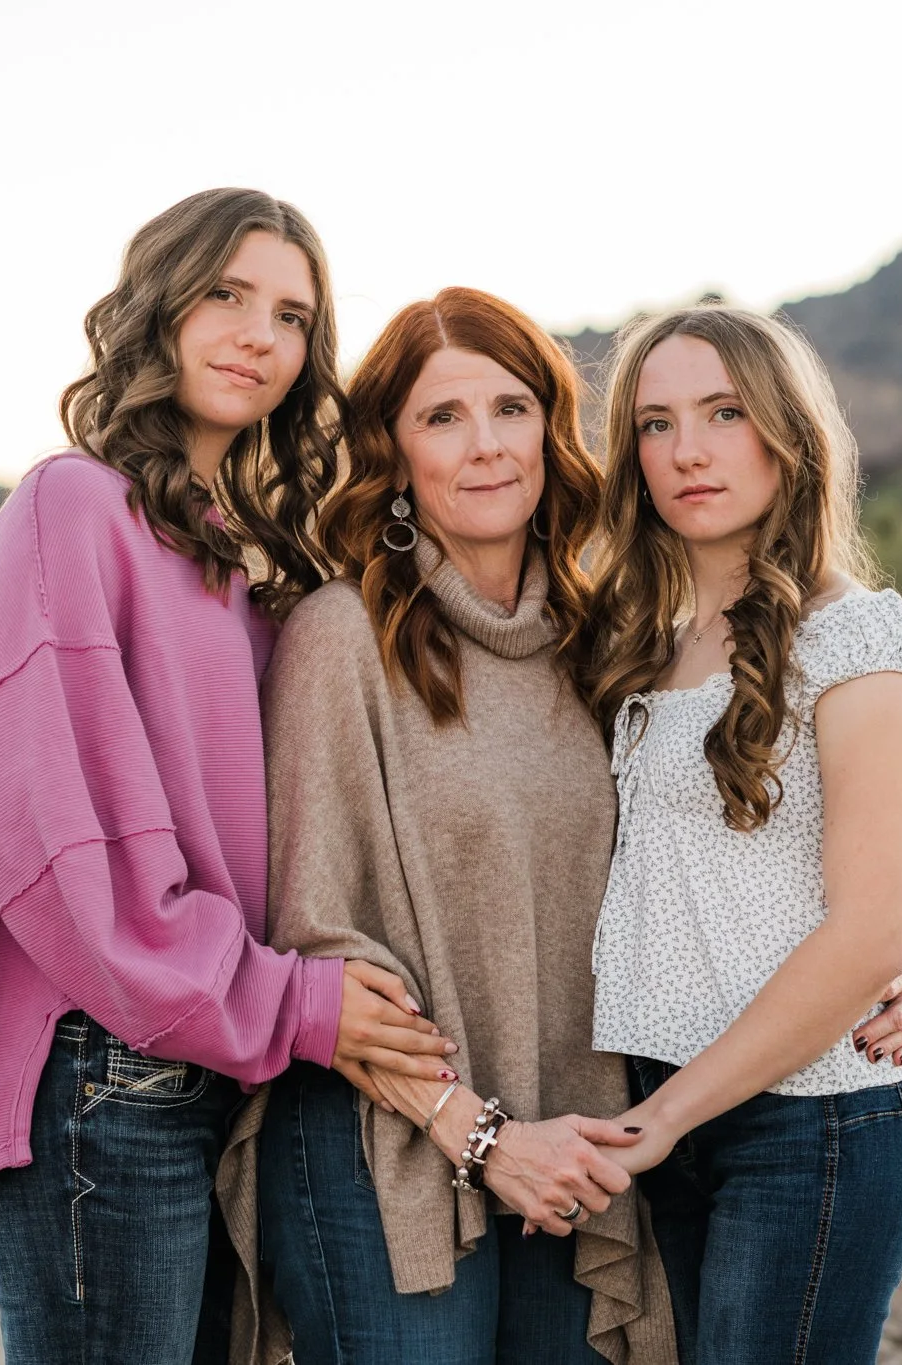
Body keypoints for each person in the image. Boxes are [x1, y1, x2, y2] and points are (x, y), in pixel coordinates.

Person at [0, 188, 455, 1365]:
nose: (258, 334)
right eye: (224, 294)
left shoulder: (243, 545)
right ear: (156, 304)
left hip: (220, 1065)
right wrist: (298, 1005)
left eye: (292, 315)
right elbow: (56, 844)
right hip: (104, 1075)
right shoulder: (73, 506)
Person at [223, 286, 674, 1365]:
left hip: (568, 1141)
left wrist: (875, 962)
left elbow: (682, 868)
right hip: (378, 1135)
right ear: (392, 452)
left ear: (549, 430)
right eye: (441, 418)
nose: (484, 448)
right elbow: (314, 936)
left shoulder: (598, 640)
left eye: (509, 409)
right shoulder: (344, 635)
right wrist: (477, 1134)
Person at [577, 304, 902, 1365]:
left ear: (787, 434)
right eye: (653, 423)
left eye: (723, 412)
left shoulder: (859, 643)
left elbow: (869, 930)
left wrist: (668, 1119)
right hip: (663, 1112)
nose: (686, 450)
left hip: (812, 1129)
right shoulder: (629, 644)